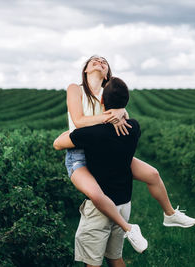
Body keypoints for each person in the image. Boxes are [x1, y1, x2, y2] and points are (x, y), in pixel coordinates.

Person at [62, 55, 195, 252]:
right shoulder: (75, 89)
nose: (99, 62)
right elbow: (79, 120)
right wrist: (111, 115)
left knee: (153, 174)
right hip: (79, 154)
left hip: (104, 150)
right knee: (95, 193)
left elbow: (123, 116)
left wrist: (121, 112)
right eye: (94, 60)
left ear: (108, 73)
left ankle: (169, 214)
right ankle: (129, 228)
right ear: (85, 69)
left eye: (104, 62)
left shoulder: (106, 95)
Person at [54, 77, 146, 266]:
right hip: (123, 203)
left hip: (100, 209)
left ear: (102, 101)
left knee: (92, 262)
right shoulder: (134, 127)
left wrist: (70, 133)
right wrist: (121, 112)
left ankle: (130, 229)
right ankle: (165, 214)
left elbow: (57, 144)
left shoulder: (91, 135)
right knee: (115, 257)